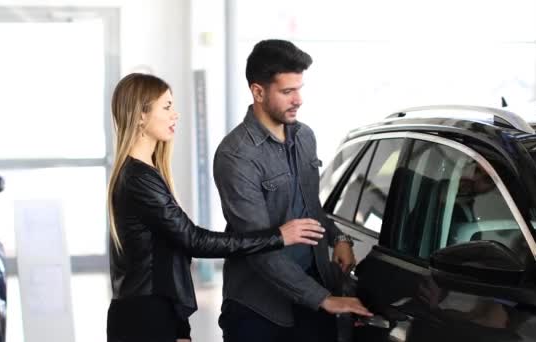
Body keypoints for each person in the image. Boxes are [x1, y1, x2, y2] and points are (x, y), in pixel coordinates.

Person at [106, 72, 327, 342]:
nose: (176, 114)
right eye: (166, 107)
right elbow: (194, 241)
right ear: (140, 115)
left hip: (156, 311)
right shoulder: (138, 179)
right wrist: (279, 236)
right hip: (142, 319)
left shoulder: (145, 172)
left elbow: (166, 258)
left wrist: (180, 326)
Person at [213, 39, 372, 342]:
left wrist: (338, 237)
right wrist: (323, 299)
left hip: (312, 295)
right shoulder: (236, 156)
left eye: (299, 89)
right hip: (260, 310)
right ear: (258, 92)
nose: (298, 99)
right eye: (287, 91)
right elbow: (257, 247)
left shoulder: (304, 137)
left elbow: (311, 209)